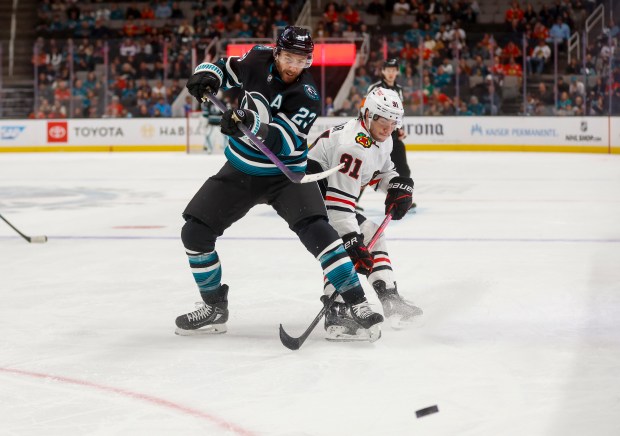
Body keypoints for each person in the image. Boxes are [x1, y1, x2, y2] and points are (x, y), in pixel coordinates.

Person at [175, 26, 383, 341]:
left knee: (321, 233)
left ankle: (358, 304)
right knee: (195, 231)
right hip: (241, 170)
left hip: (285, 175)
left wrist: (248, 122)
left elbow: (282, 142)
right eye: (288, 57)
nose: (293, 66)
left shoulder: (307, 95)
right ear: (276, 52)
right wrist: (206, 75)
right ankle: (214, 307)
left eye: (301, 61)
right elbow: (227, 68)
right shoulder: (257, 58)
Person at [307, 87, 423, 339]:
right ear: (368, 115)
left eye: (394, 121)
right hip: (310, 202)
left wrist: (395, 187)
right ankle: (335, 310)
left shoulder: (382, 137)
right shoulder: (352, 146)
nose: (389, 127)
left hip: (331, 198)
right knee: (340, 248)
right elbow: (339, 208)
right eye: (383, 119)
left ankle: (389, 296)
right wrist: (350, 240)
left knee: (370, 232)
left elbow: (380, 172)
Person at [364, 59, 416, 210]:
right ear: (383, 71)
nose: (391, 73)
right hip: (376, 133)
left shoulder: (399, 89)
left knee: (404, 169)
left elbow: (399, 112)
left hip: (392, 134)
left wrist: (399, 128)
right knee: (366, 169)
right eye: (389, 70)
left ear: (397, 72)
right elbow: (366, 109)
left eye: (394, 70)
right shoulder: (375, 87)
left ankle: (402, 197)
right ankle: (352, 200)